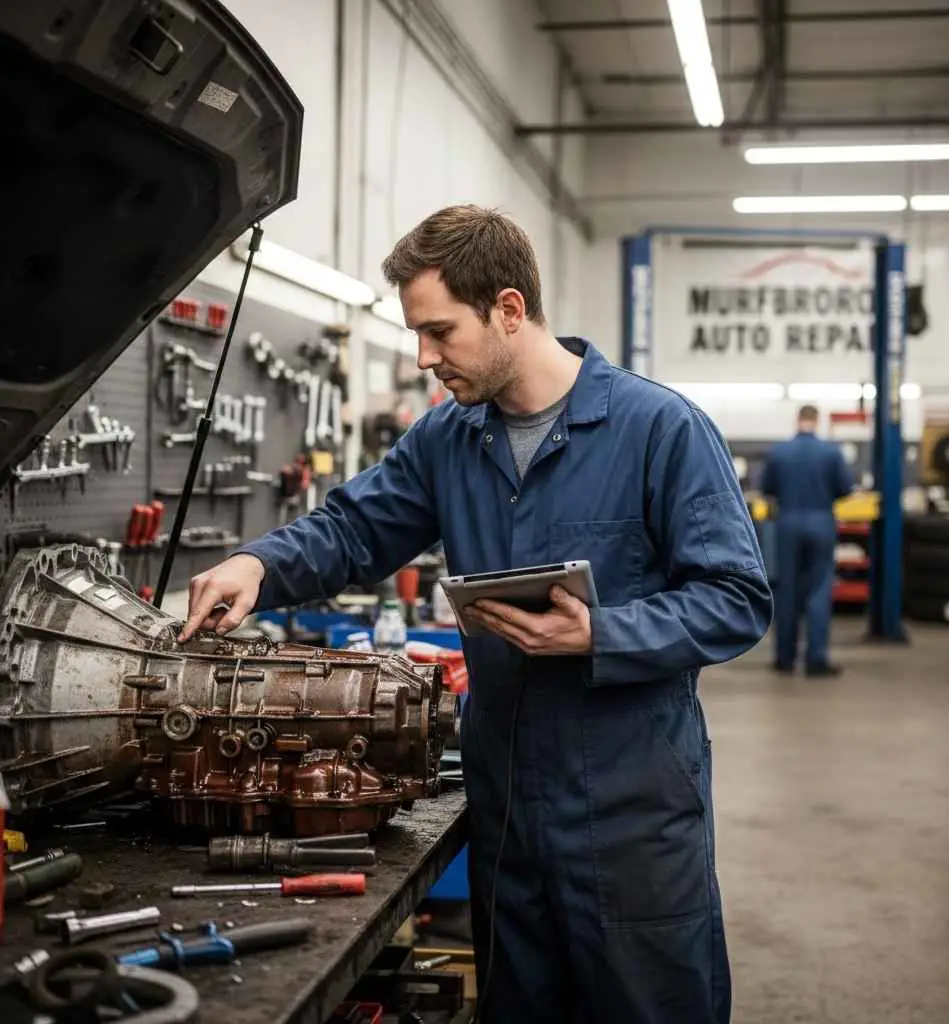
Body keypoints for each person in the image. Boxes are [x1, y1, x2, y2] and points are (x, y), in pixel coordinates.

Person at [178, 205, 773, 1024]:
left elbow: (736, 600)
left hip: (632, 811)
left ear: (509, 310)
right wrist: (259, 561)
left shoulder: (659, 430)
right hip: (508, 809)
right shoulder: (448, 440)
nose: (425, 358)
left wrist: (600, 632)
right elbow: (354, 528)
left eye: (439, 332)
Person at [761, 404, 855, 677]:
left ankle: (784, 658)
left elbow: (767, 487)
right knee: (818, 591)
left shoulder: (779, 452)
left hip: (787, 522)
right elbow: (845, 488)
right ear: (817, 421)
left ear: (797, 420)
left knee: (787, 590)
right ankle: (816, 659)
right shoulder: (831, 452)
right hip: (821, 522)